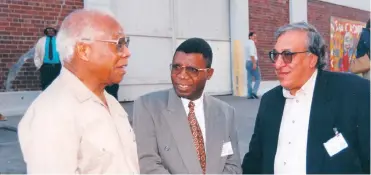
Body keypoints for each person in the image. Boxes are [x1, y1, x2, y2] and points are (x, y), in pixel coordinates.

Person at [18, 9, 139, 174]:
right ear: (84, 50)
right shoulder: (52, 114)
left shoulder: (109, 101)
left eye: (127, 43)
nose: (127, 52)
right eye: (119, 43)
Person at [242, 22, 370, 174]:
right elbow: (254, 161)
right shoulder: (269, 101)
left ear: (312, 59)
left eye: (287, 55)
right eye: (275, 55)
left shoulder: (353, 92)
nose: (277, 64)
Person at [133, 38, 242, 174]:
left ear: (209, 73)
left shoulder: (226, 113)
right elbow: (148, 165)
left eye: (192, 70)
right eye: (176, 67)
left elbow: (233, 166)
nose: (182, 75)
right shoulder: (147, 107)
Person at [245, 32, 261, 99]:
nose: (255, 38)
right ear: (250, 37)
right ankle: (254, 92)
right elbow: (251, 54)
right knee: (258, 78)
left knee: (249, 79)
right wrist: (254, 63)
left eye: (256, 36)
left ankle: (249, 94)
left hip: (247, 62)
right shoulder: (251, 43)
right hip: (252, 62)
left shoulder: (247, 43)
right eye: (254, 36)